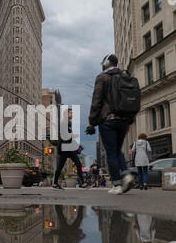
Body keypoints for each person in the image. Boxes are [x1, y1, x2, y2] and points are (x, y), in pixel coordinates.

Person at [86, 54, 138, 195]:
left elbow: (96, 101)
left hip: (108, 120)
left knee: (111, 152)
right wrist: (129, 119)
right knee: (117, 150)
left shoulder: (102, 77)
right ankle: (126, 175)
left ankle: (117, 184)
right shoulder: (125, 75)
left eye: (103, 62)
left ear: (107, 63)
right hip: (124, 120)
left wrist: (92, 122)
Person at [53, 108, 88, 189]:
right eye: (70, 113)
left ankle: (82, 183)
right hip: (65, 147)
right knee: (60, 166)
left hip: (70, 147)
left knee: (78, 164)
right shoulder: (63, 123)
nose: (72, 114)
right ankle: (55, 183)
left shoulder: (69, 123)